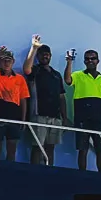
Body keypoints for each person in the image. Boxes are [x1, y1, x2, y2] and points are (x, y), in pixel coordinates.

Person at [64, 49, 101, 172]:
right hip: (82, 118)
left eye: (93, 58)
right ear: (84, 61)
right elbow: (68, 80)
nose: (90, 61)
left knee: (100, 149)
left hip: (99, 119)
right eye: (87, 58)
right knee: (83, 149)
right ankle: (83, 177)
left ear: (97, 61)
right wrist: (69, 62)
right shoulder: (78, 75)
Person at [23, 35, 69, 166]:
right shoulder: (35, 70)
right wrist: (33, 48)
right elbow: (26, 69)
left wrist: (64, 118)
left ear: (50, 56)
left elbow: (61, 96)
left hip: (55, 117)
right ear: (38, 56)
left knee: (50, 147)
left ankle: (49, 172)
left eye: (47, 54)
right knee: (37, 147)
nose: (45, 56)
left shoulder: (56, 74)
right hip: (39, 115)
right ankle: (34, 173)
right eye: (42, 54)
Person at [0, 42, 30, 161]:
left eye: (9, 60)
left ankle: (10, 174)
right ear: (0, 62)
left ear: (13, 62)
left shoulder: (20, 78)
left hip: (14, 116)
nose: (6, 63)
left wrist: (23, 120)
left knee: (12, 149)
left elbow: (23, 99)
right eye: (4, 60)